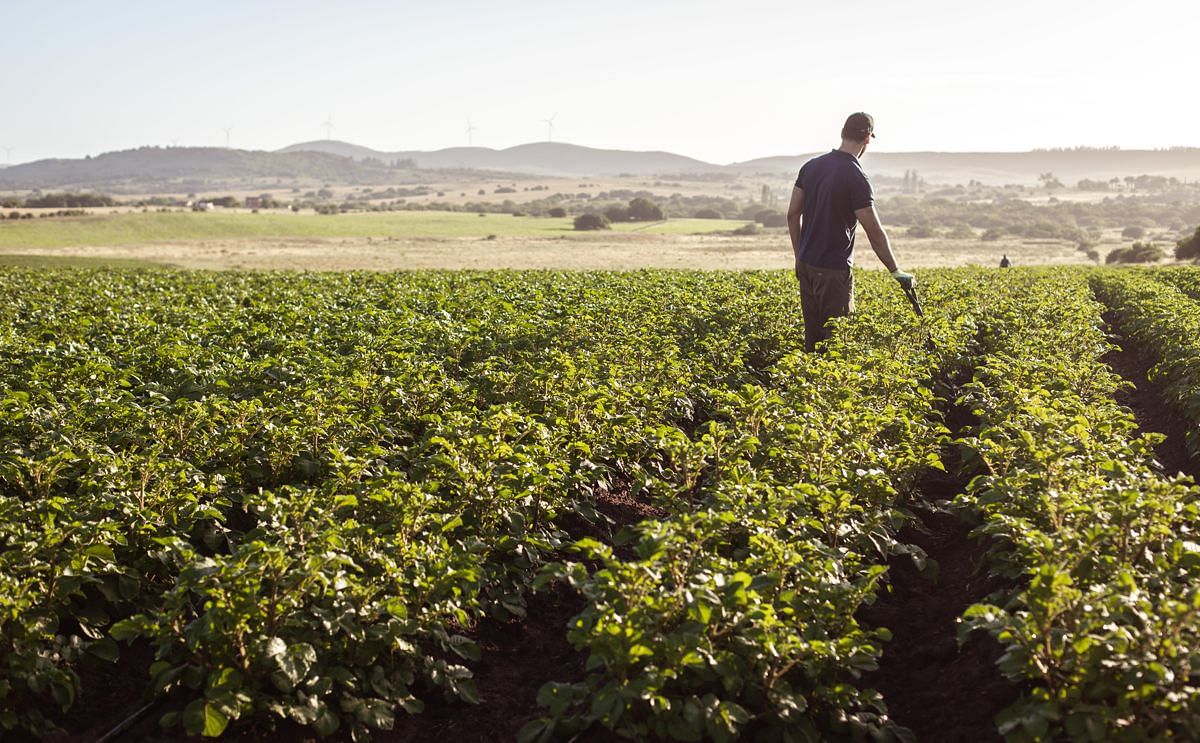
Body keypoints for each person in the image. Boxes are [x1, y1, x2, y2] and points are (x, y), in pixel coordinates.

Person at [786, 112, 914, 351]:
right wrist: (895, 270)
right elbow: (874, 230)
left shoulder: (810, 167)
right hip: (833, 270)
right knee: (838, 342)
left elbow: (793, 214)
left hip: (807, 265)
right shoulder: (856, 177)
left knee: (813, 341)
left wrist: (799, 256)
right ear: (868, 138)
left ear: (842, 133)